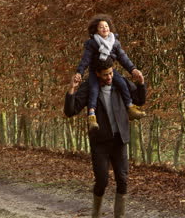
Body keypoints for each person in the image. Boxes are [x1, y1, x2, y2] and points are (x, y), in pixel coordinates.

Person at [64, 57, 147, 218]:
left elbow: (139, 100)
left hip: (119, 140)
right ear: (97, 74)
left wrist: (141, 83)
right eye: (105, 75)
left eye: (110, 73)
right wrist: (72, 90)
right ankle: (96, 214)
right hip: (100, 142)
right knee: (102, 181)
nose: (109, 77)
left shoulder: (120, 83)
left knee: (122, 180)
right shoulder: (89, 87)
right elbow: (70, 111)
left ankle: (119, 216)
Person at [73, 14, 146, 131]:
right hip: (95, 71)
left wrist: (133, 69)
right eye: (101, 27)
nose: (105, 29)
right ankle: (92, 116)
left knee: (122, 83)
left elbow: (123, 58)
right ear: (96, 30)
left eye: (106, 26)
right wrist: (79, 73)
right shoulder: (92, 44)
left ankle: (130, 107)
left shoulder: (115, 42)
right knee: (93, 90)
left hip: (109, 70)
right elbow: (85, 60)